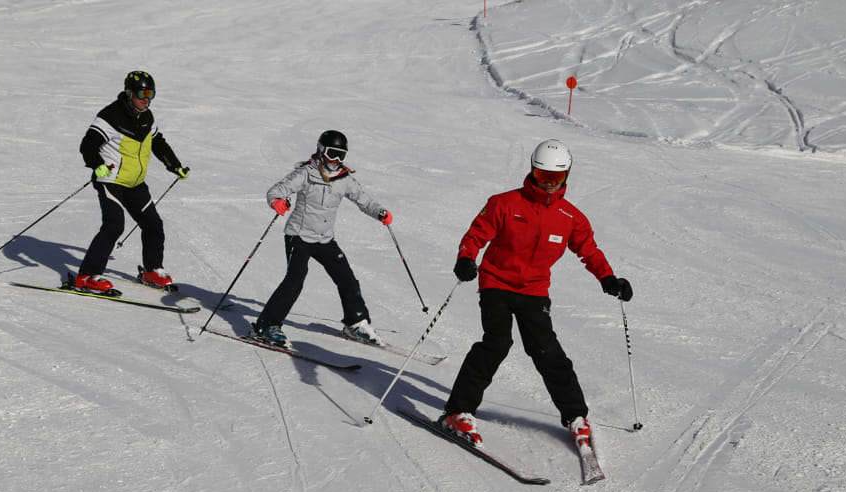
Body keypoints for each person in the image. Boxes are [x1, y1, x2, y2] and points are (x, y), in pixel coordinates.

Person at [439, 139, 633, 448]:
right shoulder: (504, 203)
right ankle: (457, 411)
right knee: (497, 343)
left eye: (555, 179)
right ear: (532, 170)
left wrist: (608, 278)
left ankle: (576, 417)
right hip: (497, 283)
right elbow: (476, 234)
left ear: (566, 176)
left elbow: (589, 250)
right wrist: (466, 258)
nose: (549, 186)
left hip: (534, 289)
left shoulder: (571, 217)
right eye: (543, 177)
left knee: (546, 350)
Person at [250, 130, 393, 349]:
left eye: (341, 155)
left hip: (325, 239)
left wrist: (380, 212)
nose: (335, 160)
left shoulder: (344, 179)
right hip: (299, 236)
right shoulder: (306, 173)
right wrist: (277, 201)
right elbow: (277, 190)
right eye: (332, 153)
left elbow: (364, 200)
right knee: (295, 279)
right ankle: (267, 325)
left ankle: (355, 323)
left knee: (346, 278)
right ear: (321, 150)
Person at [74, 70, 189, 293]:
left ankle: (152, 270)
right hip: (110, 181)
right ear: (129, 93)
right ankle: (87, 276)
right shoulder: (111, 116)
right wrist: (96, 163)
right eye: (143, 94)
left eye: (151, 94)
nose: (147, 100)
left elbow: (159, 143)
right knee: (114, 226)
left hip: (135, 183)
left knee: (154, 225)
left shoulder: (147, 117)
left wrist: (175, 166)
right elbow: (88, 144)